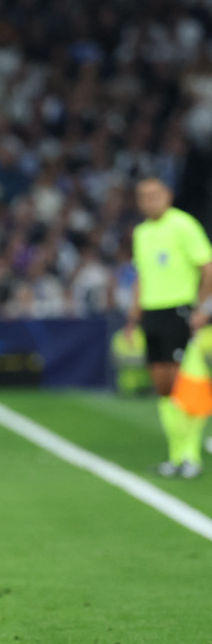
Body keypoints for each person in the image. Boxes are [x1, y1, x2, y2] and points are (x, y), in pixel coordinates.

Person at [123, 176, 212, 478]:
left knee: (183, 385)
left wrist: (202, 308)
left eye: (155, 194)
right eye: (144, 196)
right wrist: (133, 318)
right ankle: (175, 456)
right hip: (152, 313)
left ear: (168, 196)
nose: (150, 200)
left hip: (179, 311)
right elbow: (141, 277)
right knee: (162, 385)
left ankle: (190, 455)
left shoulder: (184, 225)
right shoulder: (142, 233)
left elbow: (208, 266)